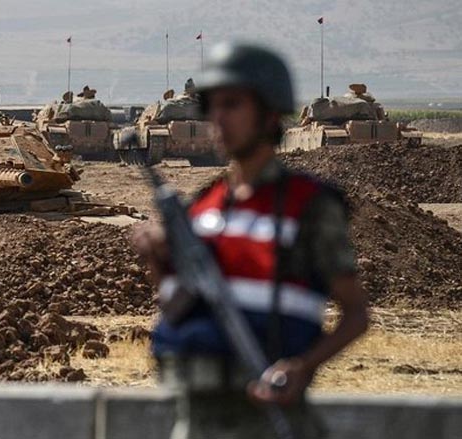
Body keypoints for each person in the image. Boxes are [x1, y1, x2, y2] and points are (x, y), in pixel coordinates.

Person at [133, 42, 369, 439]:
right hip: (195, 412)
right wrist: (158, 258)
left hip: (266, 415)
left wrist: (303, 366)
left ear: (269, 113)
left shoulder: (308, 205)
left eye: (233, 105)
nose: (218, 120)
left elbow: (356, 313)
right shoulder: (204, 205)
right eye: (213, 107)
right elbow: (178, 302)